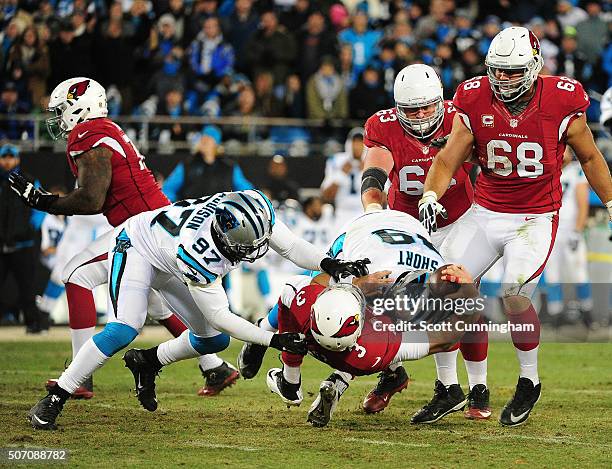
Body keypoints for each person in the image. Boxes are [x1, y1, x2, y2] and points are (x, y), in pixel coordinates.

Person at [26, 190, 369, 429]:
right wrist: (274, 340)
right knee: (124, 327)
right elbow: (222, 314)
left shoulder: (250, 211)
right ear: (225, 237)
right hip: (140, 248)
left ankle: (148, 362)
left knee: (214, 341)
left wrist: (329, 262)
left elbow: (290, 245)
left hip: (171, 255)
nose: (255, 251)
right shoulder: (201, 253)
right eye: (248, 247)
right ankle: (57, 397)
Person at [420, 27, 612, 427]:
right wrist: (430, 195)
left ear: (534, 67)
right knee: (443, 287)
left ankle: (529, 379)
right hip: (485, 212)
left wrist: (610, 200)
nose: (503, 79)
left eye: (512, 71)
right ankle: (452, 388)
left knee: (513, 295)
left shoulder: (562, 99)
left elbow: (591, 158)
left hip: (534, 217)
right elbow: (447, 158)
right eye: (497, 71)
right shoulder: (473, 97)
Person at [9, 77, 238, 400]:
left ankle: (80, 373)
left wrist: (43, 201)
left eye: (62, 110)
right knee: (156, 301)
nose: (59, 118)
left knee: (76, 274)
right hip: (160, 226)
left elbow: (92, 199)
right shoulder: (106, 130)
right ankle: (214, 366)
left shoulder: (88, 133)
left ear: (80, 107)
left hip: (143, 230)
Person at [238, 209, 481, 427]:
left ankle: (295, 376)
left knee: (308, 293)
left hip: (362, 233)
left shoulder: (345, 287)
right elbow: (449, 336)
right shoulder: (377, 349)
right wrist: (469, 291)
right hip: (408, 235)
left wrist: (355, 282)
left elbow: (295, 288)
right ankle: (390, 377)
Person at [360, 63, 489, 421]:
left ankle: (474, 388)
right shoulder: (382, 126)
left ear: (441, 101)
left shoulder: (460, 116)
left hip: (460, 217)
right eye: (411, 109)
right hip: (408, 226)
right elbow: (374, 176)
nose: (419, 116)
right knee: (389, 302)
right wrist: (375, 211)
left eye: (426, 107)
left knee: (456, 297)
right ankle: (402, 376)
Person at [0, 143, 47, 333]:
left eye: (11, 157)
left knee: (28, 288)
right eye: (5, 157)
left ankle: (33, 324)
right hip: (1, 245)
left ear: (18, 159)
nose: (8, 161)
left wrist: (31, 227)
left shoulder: (29, 180)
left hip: (24, 244)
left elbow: (41, 205)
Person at [544, 157, 593, 327]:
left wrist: (577, 231)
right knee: (552, 273)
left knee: (578, 271)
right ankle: (555, 313)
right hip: (551, 230)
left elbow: (583, 204)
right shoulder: (546, 169)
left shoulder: (575, 171)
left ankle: (587, 312)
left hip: (570, 230)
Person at [321, 127, 365, 230]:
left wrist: (367, 172)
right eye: (355, 142)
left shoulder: (372, 160)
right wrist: (341, 173)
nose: (357, 147)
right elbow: (326, 196)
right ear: (348, 144)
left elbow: (384, 198)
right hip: (342, 213)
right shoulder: (336, 160)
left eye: (360, 142)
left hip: (365, 213)